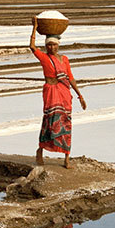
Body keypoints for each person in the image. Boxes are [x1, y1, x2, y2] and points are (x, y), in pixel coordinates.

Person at [29, 17, 87, 168]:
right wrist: (35, 28)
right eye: (49, 45)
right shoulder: (44, 58)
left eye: (54, 45)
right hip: (51, 93)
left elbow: (71, 78)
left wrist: (80, 95)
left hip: (64, 93)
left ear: (58, 46)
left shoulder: (65, 59)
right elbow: (32, 46)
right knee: (50, 121)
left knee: (66, 123)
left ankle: (66, 159)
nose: (51, 48)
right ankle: (40, 151)